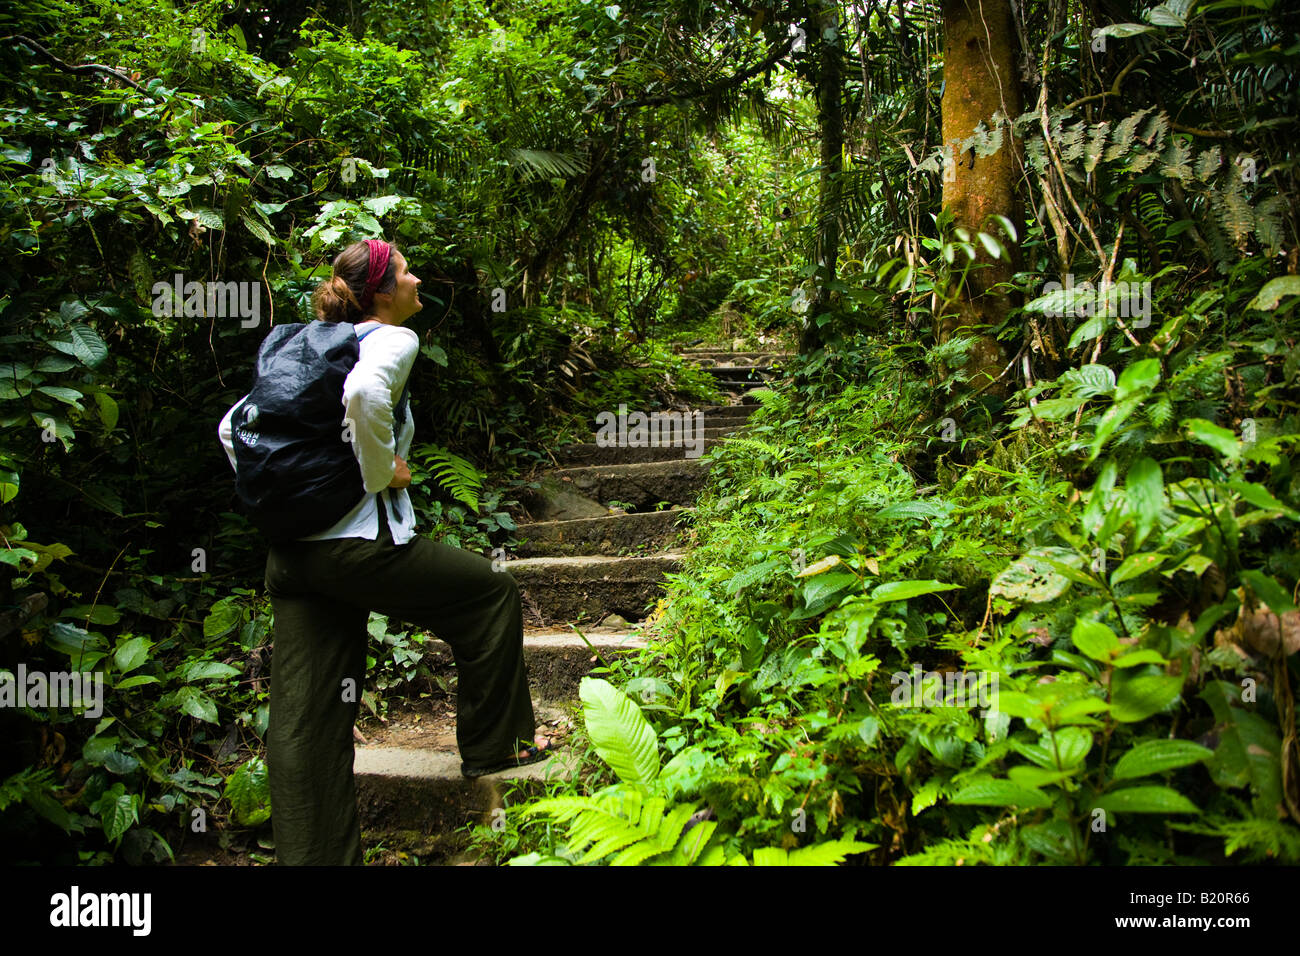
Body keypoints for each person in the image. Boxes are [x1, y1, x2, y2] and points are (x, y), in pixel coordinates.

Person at [217, 238, 557, 865]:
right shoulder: (391, 340)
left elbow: (231, 427)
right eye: (405, 272)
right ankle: (497, 748)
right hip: (357, 550)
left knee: (305, 720)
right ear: (380, 293)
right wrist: (377, 475)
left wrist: (284, 501)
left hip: (292, 559)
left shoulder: (304, 343)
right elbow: (366, 398)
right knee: (488, 593)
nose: (416, 278)